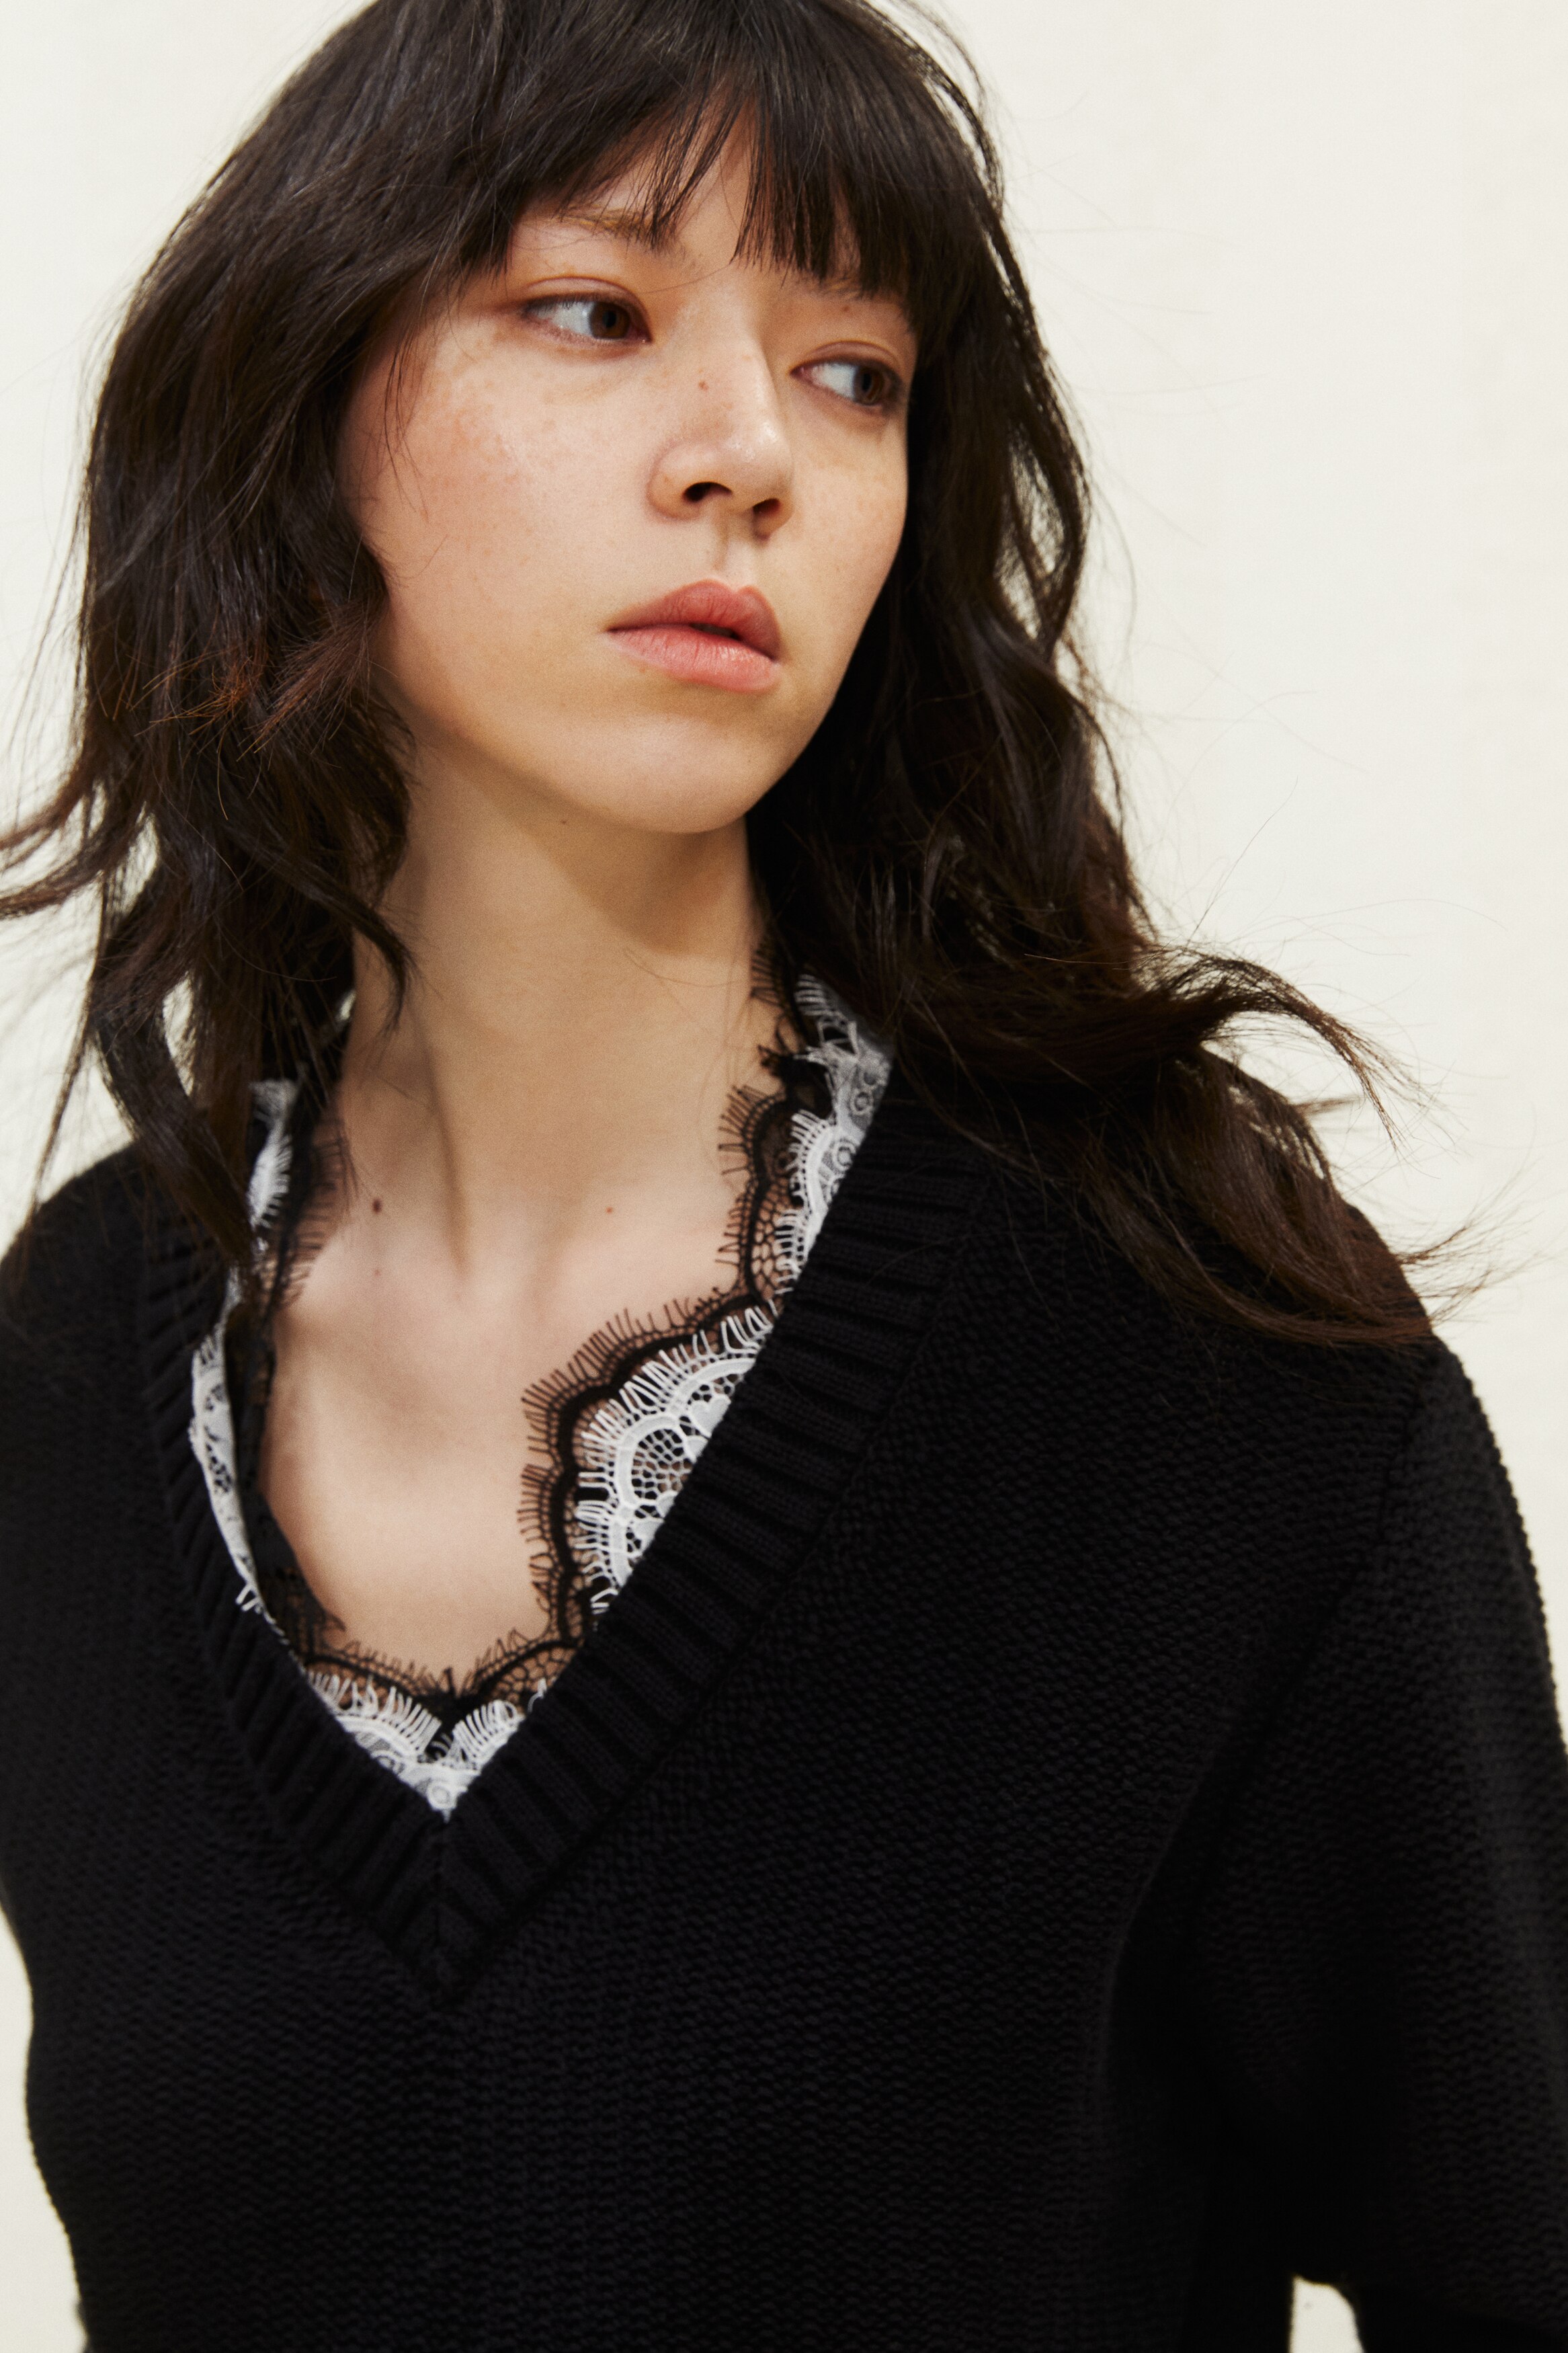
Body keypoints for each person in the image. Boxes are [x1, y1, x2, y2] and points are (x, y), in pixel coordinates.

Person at [1, 0, 1565, 2344]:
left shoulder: (1197, 1352)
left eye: (856, 374)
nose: (750, 451)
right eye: (593, 310)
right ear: (300, 397)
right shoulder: (64, 1360)